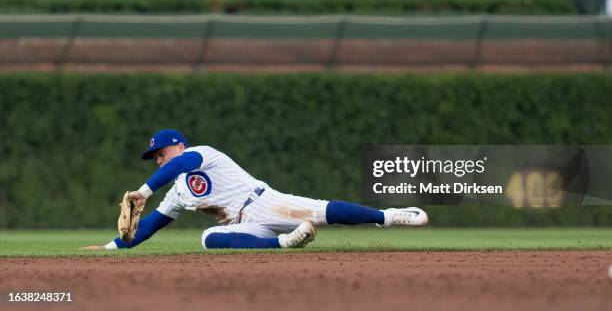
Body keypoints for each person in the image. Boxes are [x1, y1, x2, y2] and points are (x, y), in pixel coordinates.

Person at [82, 129, 428, 250]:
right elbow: (152, 224)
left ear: (179, 145)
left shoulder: (200, 154)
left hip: (265, 202)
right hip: (244, 224)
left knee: (322, 211)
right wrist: (114, 246)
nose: (159, 160)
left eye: (161, 152)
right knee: (208, 239)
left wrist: (143, 191)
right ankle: (284, 243)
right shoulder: (177, 193)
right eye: (154, 157)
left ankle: (390, 215)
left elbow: (179, 165)